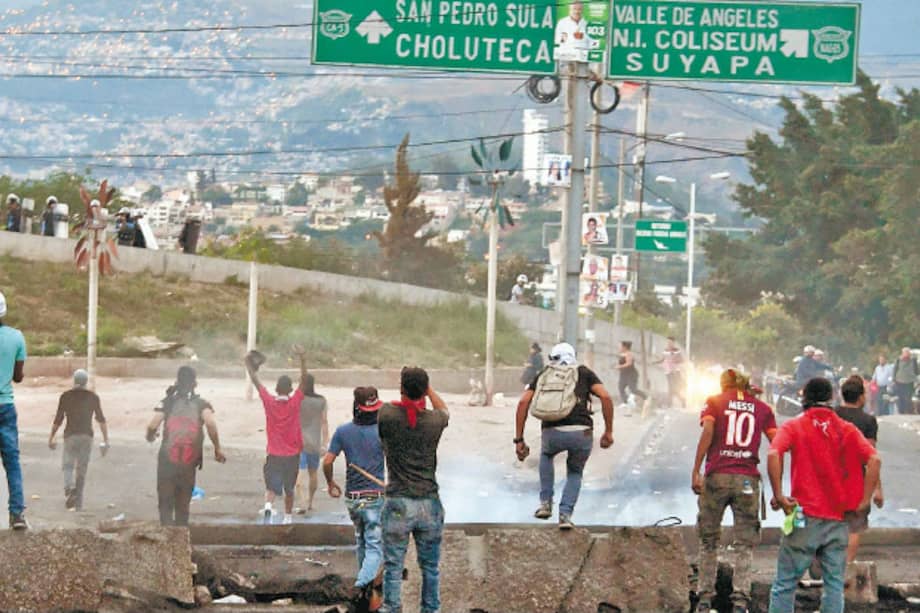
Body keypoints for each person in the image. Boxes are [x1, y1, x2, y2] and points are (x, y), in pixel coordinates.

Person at [767, 378, 881, 613]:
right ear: (831, 398)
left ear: (804, 398)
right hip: (838, 519)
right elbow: (874, 459)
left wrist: (779, 495)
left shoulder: (794, 426)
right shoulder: (846, 429)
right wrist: (864, 499)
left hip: (804, 517)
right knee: (834, 585)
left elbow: (773, 454)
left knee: (785, 584)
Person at [691, 369, 777, 613]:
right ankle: (740, 600)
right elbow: (777, 442)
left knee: (709, 540)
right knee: (744, 543)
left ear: (723, 385)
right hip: (747, 480)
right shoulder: (762, 408)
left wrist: (696, 470)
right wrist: (778, 488)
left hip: (717, 477)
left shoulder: (714, 402)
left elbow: (708, 431)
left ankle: (705, 597)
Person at [515, 342, 614, 529]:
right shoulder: (583, 372)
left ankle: (545, 503)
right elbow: (606, 397)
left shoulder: (544, 373)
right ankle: (565, 515)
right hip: (581, 432)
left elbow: (523, 402)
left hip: (551, 432)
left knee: (546, 456)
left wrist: (519, 439)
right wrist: (608, 431)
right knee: (575, 472)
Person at [377, 367, 449, 613]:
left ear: (401, 388)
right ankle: (430, 609)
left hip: (398, 502)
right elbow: (444, 411)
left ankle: (392, 608)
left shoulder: (387, 414)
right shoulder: (434, 422)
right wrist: (428, 389)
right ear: (425, 391)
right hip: (429, 502)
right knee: (430, 568)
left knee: (393, 566)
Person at [323, 387, 386, 610]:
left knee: (362, 541)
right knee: (375, 546)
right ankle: (361, 587)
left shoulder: (343, 431)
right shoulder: (383, 431)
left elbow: (327, 461)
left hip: (353, 498)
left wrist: (330, 483)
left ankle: (367, 593)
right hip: (375, 497)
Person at [146, 366, 226, 526]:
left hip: (167, 461)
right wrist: (217, 448)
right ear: (195, 384)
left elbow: (153, 424)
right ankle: (181, 535)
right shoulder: (201, 404)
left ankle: (166, 534)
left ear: (177, 381)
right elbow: (210, 423)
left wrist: (150, 436)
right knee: (183, 504)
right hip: (189, 461)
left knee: (165, 502)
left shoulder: (168, 402)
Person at [246, 346, 308, 525]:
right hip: (292, 454)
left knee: (271, 485)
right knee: (289, 488)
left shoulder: (269, 402)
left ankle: (268, 506)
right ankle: (287, 517)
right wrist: (302, 359)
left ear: (277, 388)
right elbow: (304, 380)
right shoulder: (295, 402)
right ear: (290, 389)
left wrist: (248, 365)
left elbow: (256, 382)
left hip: (274, 452)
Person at [835, 375, 884, 565]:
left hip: (830, 477)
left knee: (828, 523)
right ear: (861, 397)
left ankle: (826, 563)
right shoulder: (868, 421)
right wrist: (877, 489)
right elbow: (872, 457)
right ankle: (846, 567)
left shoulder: (832, 415)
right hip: (856, 481)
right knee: (854, 527)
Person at [48, 369, 109, 511]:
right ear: (86, 381)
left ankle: (69, 488)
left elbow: (58, 419)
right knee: (82, 468)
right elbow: (101, 419)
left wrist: (51, 436)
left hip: (70, 435)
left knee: (68, 465)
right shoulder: (93, 397)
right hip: (86, 436)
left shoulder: (65, 396)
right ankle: (78, 502)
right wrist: (106, 439)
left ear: (74, 380)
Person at [0, 291, 27, 530]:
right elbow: (18, 377)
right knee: (12, 462)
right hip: (5, 407)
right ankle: (17, 514)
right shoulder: (17, 337)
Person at [297, 372, 328, 513]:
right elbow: (324, 422)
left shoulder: (298, 400)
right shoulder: (321, 400)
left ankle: (302, 503)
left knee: (300, 475)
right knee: (313, 473)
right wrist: (325, 443)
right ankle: (309, 502)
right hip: (315, 442)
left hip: (300, 443)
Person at [615, 340, 649, 412]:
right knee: (621, 388)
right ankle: (626, 402)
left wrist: (619, 366)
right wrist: (618, 367)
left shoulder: (629, 354)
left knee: (633, 389)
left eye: (620, 346)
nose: (619, 347)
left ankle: (646, 397)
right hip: (624, 374)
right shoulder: (621, 354)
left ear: (624, 347)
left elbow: (629, 363)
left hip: (631, 374)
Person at [655, 336, 684, 409]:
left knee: (672, 388)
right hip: (668, 372)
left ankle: (671, 403)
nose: (669, 343)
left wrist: (675, 360)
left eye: (670, 342)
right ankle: (679, 400)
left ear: (673, 343)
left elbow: (681, 360)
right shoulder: (665, 350)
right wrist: (655, 362)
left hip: (675, 372)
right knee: (671, 388)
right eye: (668, 342)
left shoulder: (677, 350)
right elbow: (662, 359)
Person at [892, 347, 918, 415]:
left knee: (908, 397)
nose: (906, 354)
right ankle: (901, 411)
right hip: (900, 381)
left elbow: (916, 370)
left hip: (910, 381)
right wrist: (894, 379)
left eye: (908, 352)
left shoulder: (913, 360)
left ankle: (908, 410)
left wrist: (915, 379)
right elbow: (895, 369)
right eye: (905, 352)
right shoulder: (898, 360)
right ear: (902, 353)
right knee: (901, 396)